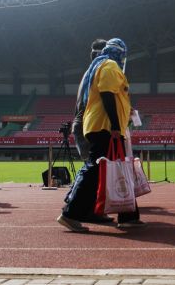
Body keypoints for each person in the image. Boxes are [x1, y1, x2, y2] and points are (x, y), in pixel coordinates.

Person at [57, 38, 144, 231]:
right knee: (95, 170)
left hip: (106, 126)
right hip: (104, 127)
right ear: (119, 54)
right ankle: (70, 213)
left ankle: (128, 215)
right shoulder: (110, 66)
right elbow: (107, 94)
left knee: (119, 168)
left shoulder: (103, 65)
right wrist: (114, 125)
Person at [62, 39, 114, 224]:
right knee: (93, 168)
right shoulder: (98, 72)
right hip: (89, 124)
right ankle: (73, 205)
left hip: (84, 123)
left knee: (94, 168)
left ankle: (87, 209)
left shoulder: (91, 71)